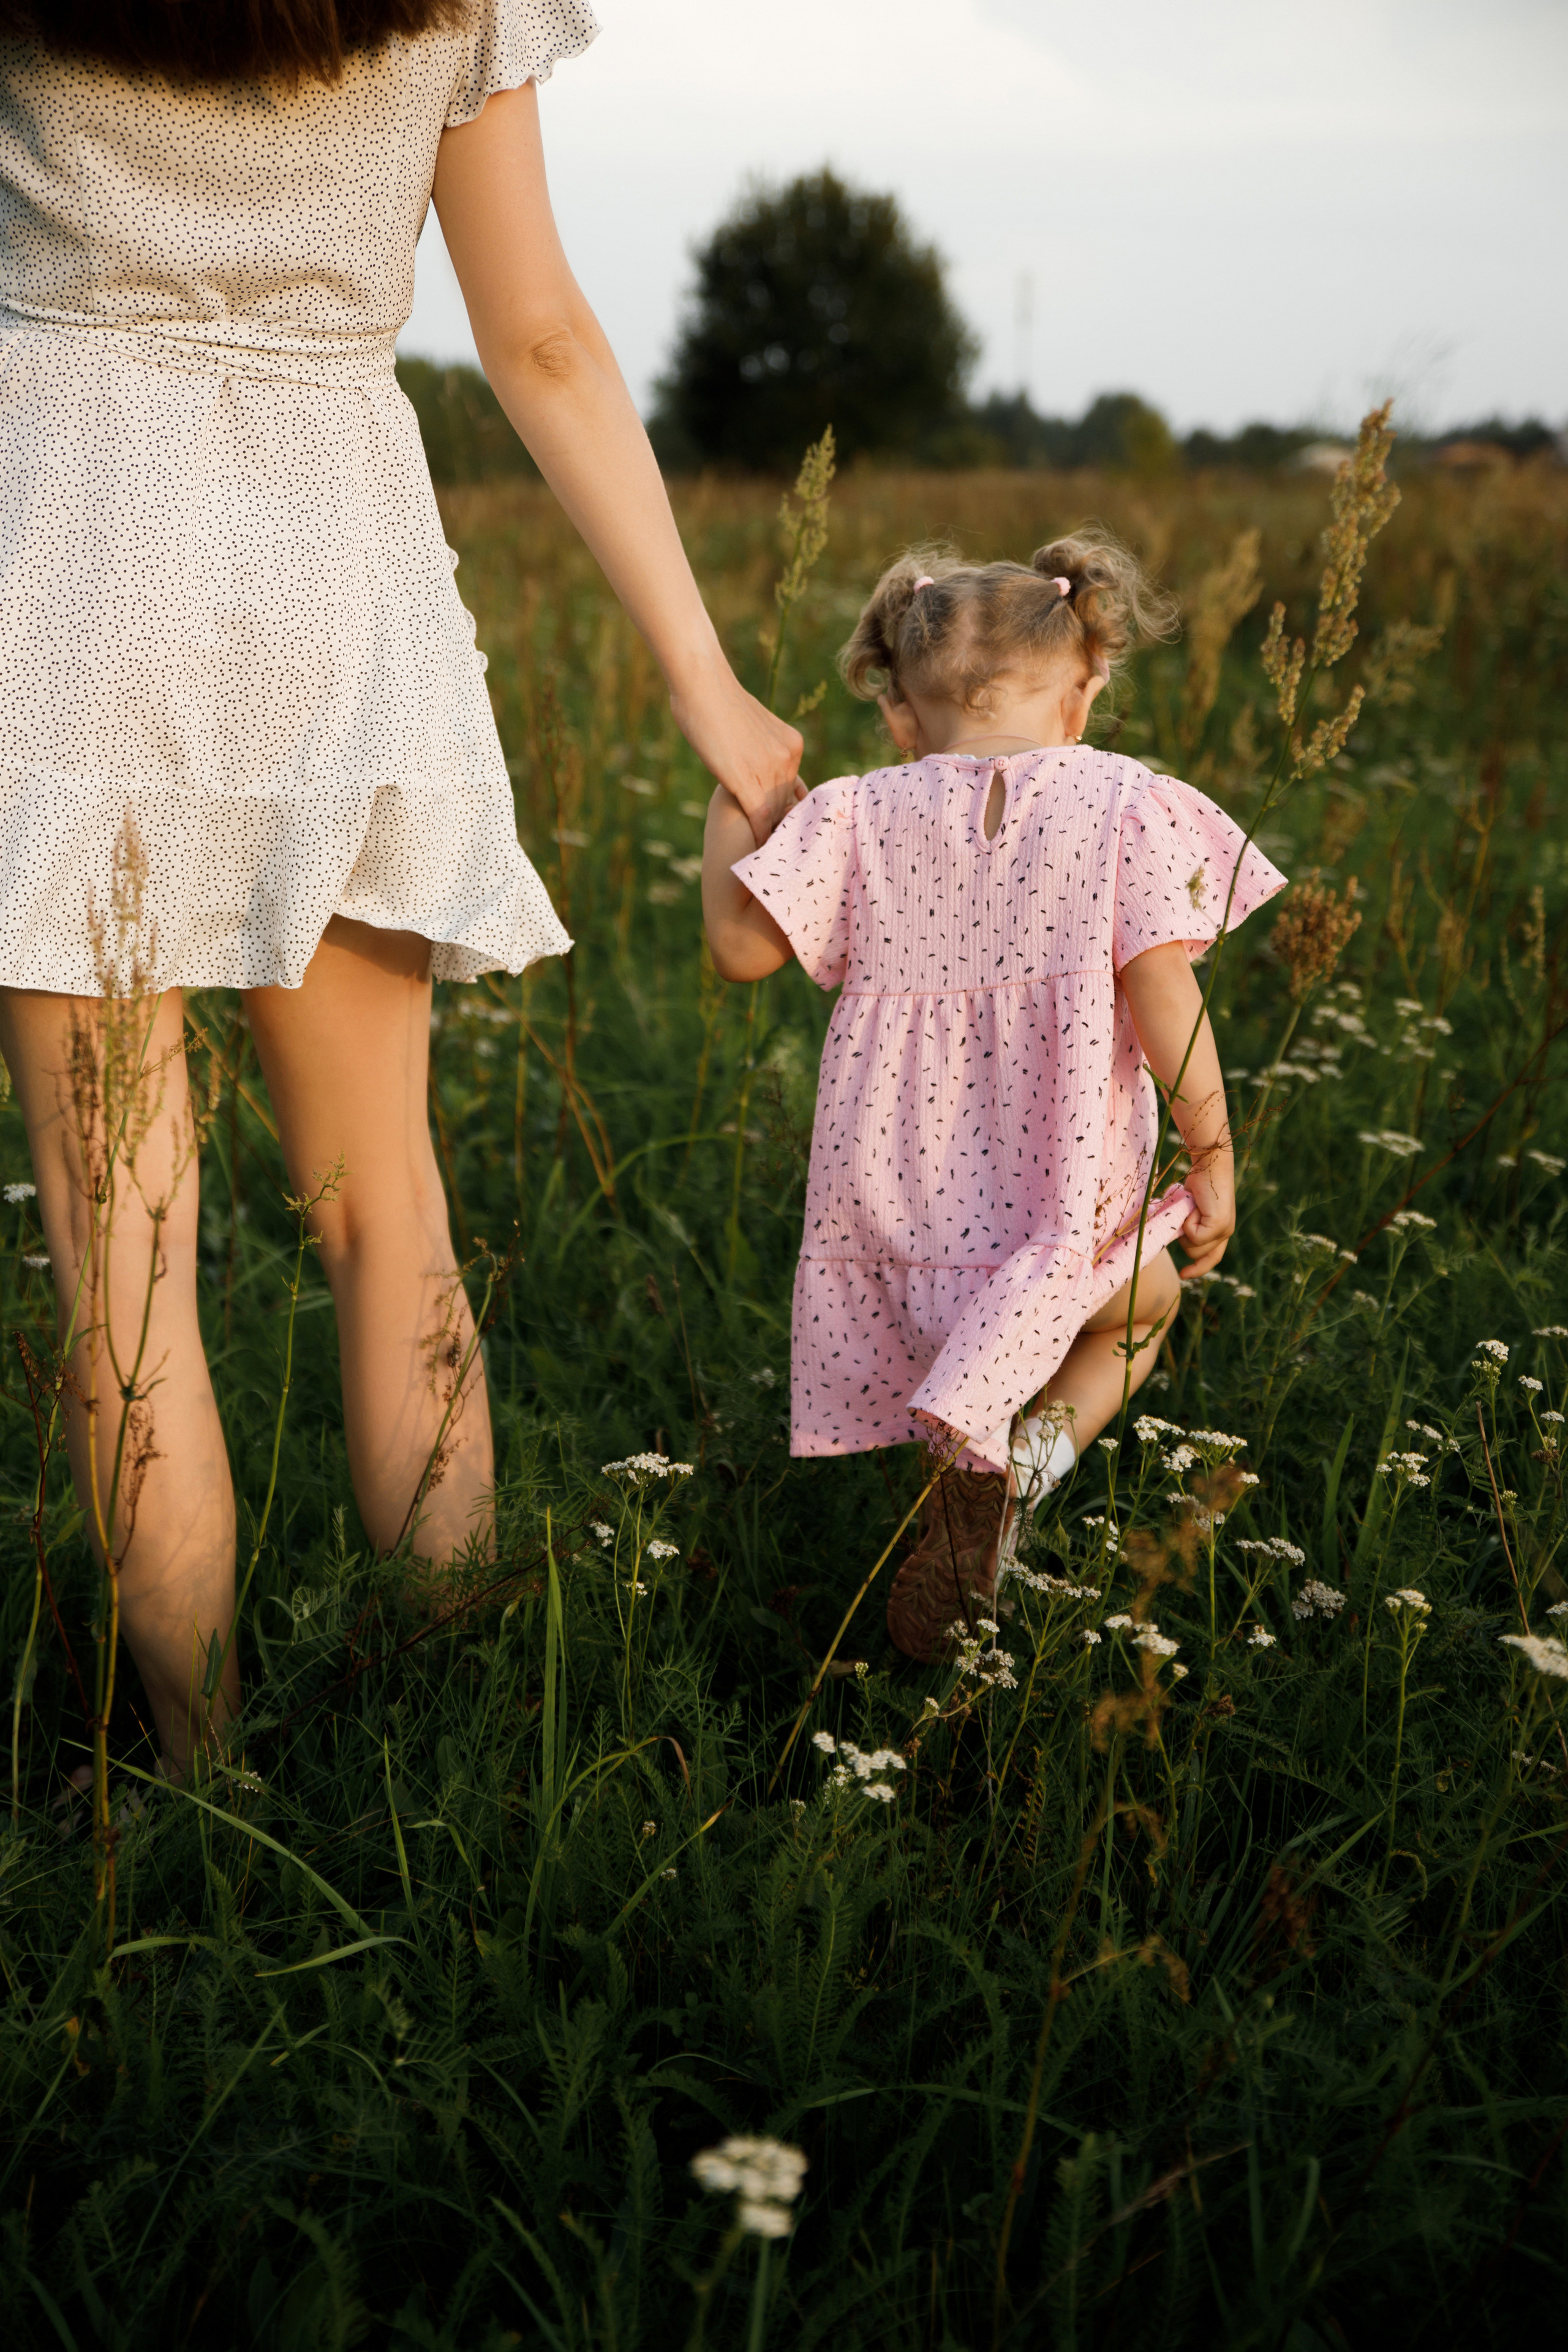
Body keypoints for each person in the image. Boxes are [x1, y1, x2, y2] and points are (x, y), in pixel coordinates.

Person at [0, 0, 800, 1773]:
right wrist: (704, 681)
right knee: (388, 1220)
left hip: (54, 570)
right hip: (327, 578)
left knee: (118, 1257)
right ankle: (444, 1758)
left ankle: (196, 1783)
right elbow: (544, 340)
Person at [701, 538, 1286, 1660]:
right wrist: (1213, 1148)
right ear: (1081, 698)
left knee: (949, 1335)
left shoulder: (855, 812)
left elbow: (737, 949)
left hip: (898, 1190)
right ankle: (1016, 1476)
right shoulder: (1124, 801)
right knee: (1143, 1308)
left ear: (903, 717)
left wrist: (747, 793)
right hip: (1057, 1187)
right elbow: (1162, 989)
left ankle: (966, 1475)